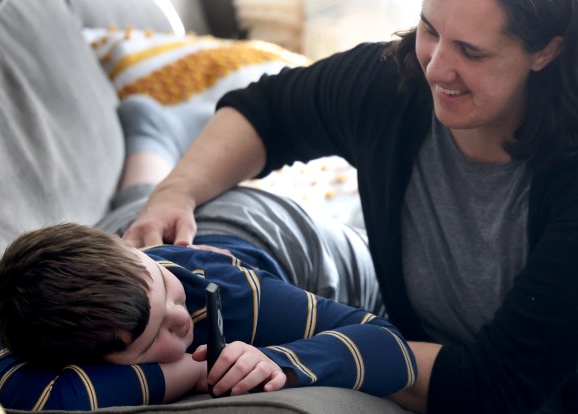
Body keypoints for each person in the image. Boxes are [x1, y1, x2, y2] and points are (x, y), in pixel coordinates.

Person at [121, 0, 578, 413]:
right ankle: (152, 150)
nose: (437, 69)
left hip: (509, 385)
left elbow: (493, 387)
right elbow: (267, 110)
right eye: (430, 30)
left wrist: (306, 353)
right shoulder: (393, 85)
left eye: (472, 52)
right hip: (373, 290)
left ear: (547, 52)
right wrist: (175, 193)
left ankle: (149, 144)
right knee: (191, 219)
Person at [0, 95, 403, 411]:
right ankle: (151, 130)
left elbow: (388, 342)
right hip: (141, 239)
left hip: (289, 233)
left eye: (164, 287)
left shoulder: (230, 296)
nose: (182, 319)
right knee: (141, 205)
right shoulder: (19, 318)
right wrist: (192, 372)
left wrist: (280, 361)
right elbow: (50, 403)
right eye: (153, 336)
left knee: (150, 217)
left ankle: (152, 128)